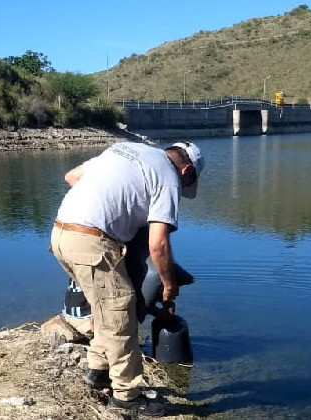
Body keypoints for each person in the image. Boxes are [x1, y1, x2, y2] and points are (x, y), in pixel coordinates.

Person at [50, 141, 204, 417]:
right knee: (121, 316)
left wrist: (107, 206)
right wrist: (169, 286)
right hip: (91, 241)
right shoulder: (168, 178)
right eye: (187, 184)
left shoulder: (126, 150)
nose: (181, 192)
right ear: (187, 170)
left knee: (103, 308)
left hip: (61, 233)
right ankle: (126, 397)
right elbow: (158, 245)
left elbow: (71, 176)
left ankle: (97, 370)